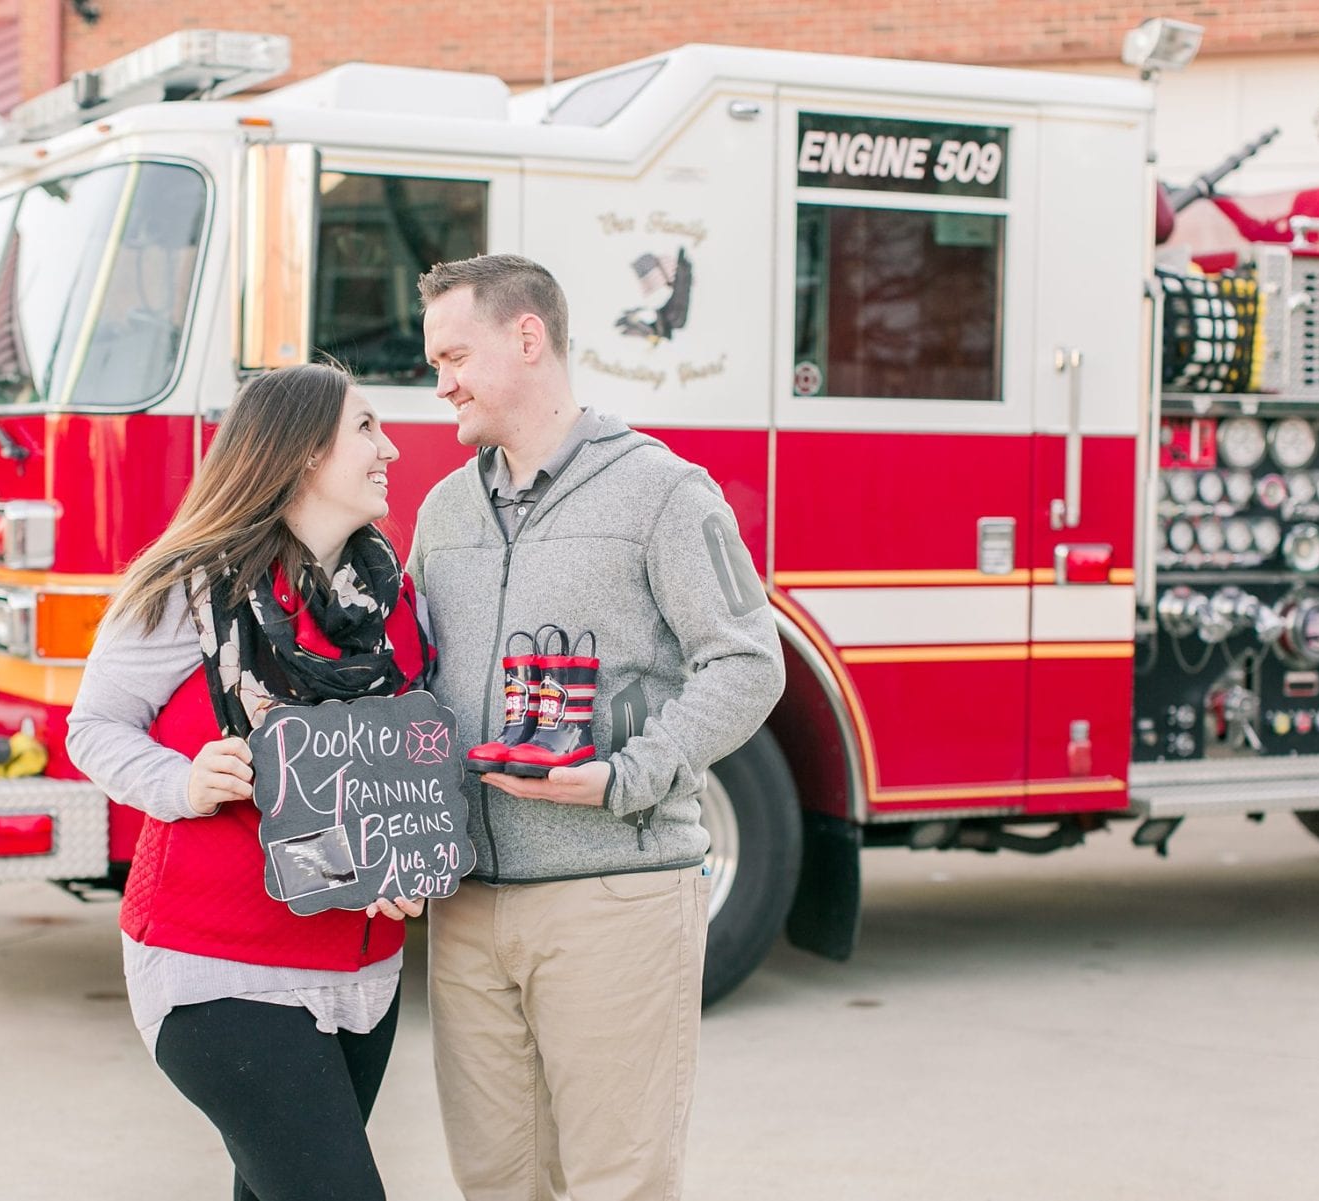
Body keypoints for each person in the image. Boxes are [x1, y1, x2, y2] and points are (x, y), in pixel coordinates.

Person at [408, 254, 784, 1200]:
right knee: (496, 1182)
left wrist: (629, 773)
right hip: (466, 908)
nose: (440, 380)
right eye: (435, 361)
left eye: (455, 354)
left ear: (526, 337)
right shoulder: (444, 509)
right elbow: (412, 685)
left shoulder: (663, 491)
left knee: (617, 1183)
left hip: (612, 898)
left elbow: (748, 660)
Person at [67, 363, 431, 1201]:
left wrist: (406, 862)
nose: (393, 447)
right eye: (368, 429)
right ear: (303, 453)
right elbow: (93, 728)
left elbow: (398, 763)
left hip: (361, 974)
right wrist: (183, 781)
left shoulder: (393, 602)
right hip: (217, 967)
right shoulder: (187, 587)